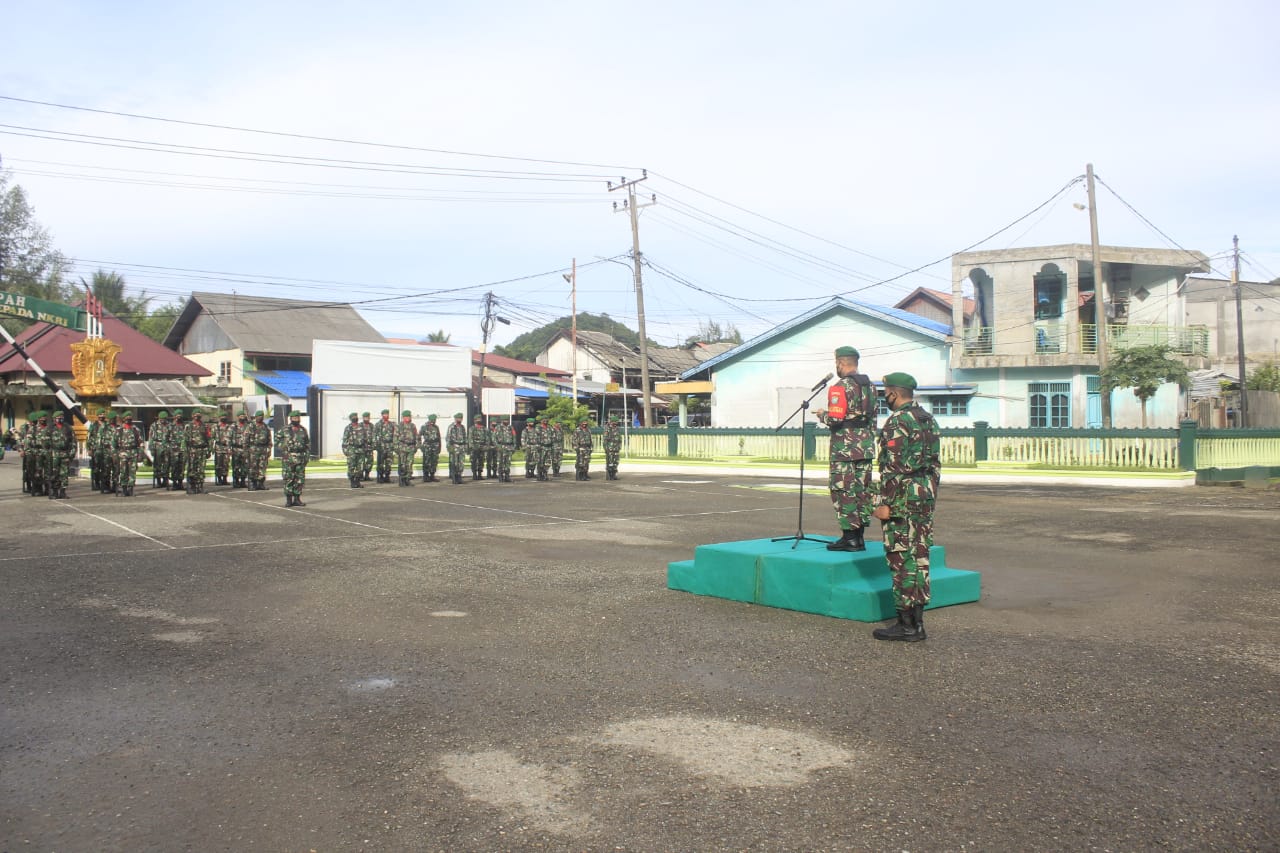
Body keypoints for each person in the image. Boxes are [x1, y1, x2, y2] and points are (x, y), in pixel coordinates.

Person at [870, 372, 941, 643]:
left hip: (902, 499)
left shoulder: (898, 421)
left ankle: (907, 625)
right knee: (919, 557)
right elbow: (935, 465)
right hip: (923, 497)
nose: (884, 397)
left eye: (885, 392)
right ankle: (917, 623)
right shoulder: (928, 419)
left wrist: (884, 502)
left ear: (894, 393)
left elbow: (892, 467)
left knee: (901, 559)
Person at [812, 346, 878, 552]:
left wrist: (822, 414)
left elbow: (835, 418)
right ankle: (859, 537)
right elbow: (872, 418)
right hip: (865, 448)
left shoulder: (840, 387)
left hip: (845, 450)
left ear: (840, 363)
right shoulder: (871, 387)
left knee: (844, 491)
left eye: (837, 364)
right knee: (862, 491)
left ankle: (849, 538)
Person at [277, 410, 311, 506]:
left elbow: (307, 444)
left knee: (299, 479)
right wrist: (283, 447)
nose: (296, 419)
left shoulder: (303, 430)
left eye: (298, 417)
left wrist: (306, 456)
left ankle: (297, 498)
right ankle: (288, 499)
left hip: (300, 457)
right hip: (289, 458)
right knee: (289, 478)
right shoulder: (285, 429)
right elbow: (277, 440)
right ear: (291, 419)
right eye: (294, 418)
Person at [113, 411, 148, 497]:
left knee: (132, 471)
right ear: (123, 419)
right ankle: (124, 488)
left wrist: (140, 454)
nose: (128, 419)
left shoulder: (135, 430)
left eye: (129, 418)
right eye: (126, 418)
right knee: (123, 471)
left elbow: (141, 443)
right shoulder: (119, 430)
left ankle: (131, 488)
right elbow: (114, 444)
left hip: (133, 453)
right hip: (123, 453)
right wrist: (114, 455)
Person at [46, 410, 76, 500]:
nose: (60, 419)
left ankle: (63, 492)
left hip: (65, 454)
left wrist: (71, 454)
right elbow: (45, 443)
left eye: (61, 418)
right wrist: (48, 453)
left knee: (64, 474)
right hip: (54, 454)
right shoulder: (50, 428)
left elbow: (73, 442)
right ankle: (54, 492)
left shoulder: (68, 428)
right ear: (54, 419)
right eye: (58, 418)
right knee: (54, 473)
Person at [183, 411, 212, 494]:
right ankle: (191, 487)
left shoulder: (205, 426)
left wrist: (209, 450)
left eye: (198, 414)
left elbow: (208, 438)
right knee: (192, 468)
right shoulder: (189, 426)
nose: (197, 416)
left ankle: (200, 486)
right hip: (192, 450)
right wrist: (186, 451)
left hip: (202, 450)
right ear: (192, 416)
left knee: (201, 469)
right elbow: (185, 439)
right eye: (195, 415)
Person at [245, 411, 273, 491]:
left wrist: (269, 449)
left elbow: (269, 439)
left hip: (263, 449)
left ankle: (260, 483)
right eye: (259, 416)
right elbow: (246, 439)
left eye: (262, 416)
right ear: (256, 417)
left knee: (262, 467)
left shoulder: (265, 426)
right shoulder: (251, 426)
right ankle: (252, 483)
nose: (260, 417)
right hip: (253, 449)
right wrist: (246, 450)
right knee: (253, 467)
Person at [341, 412, 366, 488]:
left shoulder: (361, 427)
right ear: (351, 419)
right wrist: (346, 451)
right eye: (353, 417)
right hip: (352, 449)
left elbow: (365, 439)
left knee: (360, 467)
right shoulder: (348, 428)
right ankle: (352, 482)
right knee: (351, 466)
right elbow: (345, 440)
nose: (355, 418)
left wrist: (365, 448)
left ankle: (357, 481)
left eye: (356, 416)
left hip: (360, 450)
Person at [395, 410, 419, 486]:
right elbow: (395, 437)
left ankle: (408, 479)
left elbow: (417, 437)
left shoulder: (413, 426)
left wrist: (417, 446)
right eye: (406, 417)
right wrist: (396, 448)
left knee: (409, 464)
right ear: (403, 417)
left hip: (411, 447)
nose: (408, 418)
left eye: (409, 416)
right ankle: (402, 480)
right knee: (402, 464)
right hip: (402, 447)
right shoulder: (399, 426)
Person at [148, 410, 171, 489]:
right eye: (161, 419)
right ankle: (158, 481)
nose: (162, 420)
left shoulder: (169, 425)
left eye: (164, 419)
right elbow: (151, 438)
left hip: (167, 446)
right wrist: (151, 448)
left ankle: (165, 480)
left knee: (166, 464)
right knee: (157, 464)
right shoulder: (154, 425)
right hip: (157, 446)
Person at [166, 410, 188, 491]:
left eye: (180, 415)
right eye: (177, 415)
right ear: (174, 416)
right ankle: (174, 483)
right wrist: (169, 448)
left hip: (182, 449)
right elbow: (166, 438)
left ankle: (180, 482)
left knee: (181, 466)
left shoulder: (185, 426)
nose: (179, 417)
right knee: (174, 466)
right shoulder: (170, 426)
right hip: (173, 449)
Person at [372, 409, 395, 484]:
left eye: (387, 414)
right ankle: (380, 476)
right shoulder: (378, 424)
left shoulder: (392, 424)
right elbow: (374, 435)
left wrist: (394, 444)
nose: (386, 416)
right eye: (384, 414)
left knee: (389, 462)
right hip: (381, 446)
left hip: (390, 445)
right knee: (380, 463)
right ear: (382, 415)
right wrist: (375, 445)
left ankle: (387, 476)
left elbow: (395, 435)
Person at [445, 412, 468, 485]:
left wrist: (466, 446)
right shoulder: (451, 427)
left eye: (461, 418)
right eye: (458, 418)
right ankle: (454, 478)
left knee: (461, 463)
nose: (460, 419)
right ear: (455, 418)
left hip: (461, 447)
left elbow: (465, 438)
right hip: (454, 446)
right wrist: (449, 447)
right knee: (454, 463)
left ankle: (459, 476)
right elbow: (448, 438)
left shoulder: (462, 427)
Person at [212, 413, 234, 486]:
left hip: (226, 448)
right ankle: (219, 479)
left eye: (225, 416)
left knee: (226, 464)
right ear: (219, 417)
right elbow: (212, 437)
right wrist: (211, 448)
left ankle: (225, 479)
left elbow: (231, 437)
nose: (223, 418)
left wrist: (230, 448)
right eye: (222, 416)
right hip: (218, 447)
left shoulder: (229, 427)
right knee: (218, 464)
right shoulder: (215, 427)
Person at [230, 411, 250, 488]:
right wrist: (229, 448)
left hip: (245, 449)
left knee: (245, 466)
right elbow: (229, 437)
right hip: (236, 449)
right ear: (237, 417)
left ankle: (243, 481)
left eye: (243, 416)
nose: (242, 417)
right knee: (236, 466)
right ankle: (236, 481)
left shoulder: (248, 426)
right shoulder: (233, 426)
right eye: (240, 416)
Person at [419, 414, 442, 482]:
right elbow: (418, 436)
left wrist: (439, 447)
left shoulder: (436, 427)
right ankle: (426, 476)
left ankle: (432, 475)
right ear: (429, 420)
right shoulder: (424, 427)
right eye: (432, 420)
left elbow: (439, 437)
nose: (433, 422)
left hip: (435, 446)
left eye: (434, 420)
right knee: (426, 461)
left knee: (434, 461)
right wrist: (420, 446)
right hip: (427, 446)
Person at [493, 417, 516, 482]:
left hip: (509, 447)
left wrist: (514, 446)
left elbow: (514, 437)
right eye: (505, 420)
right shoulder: (498, 427)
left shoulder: (511, 427)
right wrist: (497, 446)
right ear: (502, 420)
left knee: (508, 462)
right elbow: (494, 438)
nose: (506, 421)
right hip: (501, 447)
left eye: (507, 420)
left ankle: (507, 476)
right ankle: (500, 476)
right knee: (501, 462)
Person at [468, 415, 489, 481]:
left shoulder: (484, 428)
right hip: (474, 447)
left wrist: (486, 446)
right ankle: (474, 474)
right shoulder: (472, 428)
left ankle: (480, 474)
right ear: (475, 420)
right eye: (477, 419)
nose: (479, 420)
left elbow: (487, 438)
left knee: (481, 461)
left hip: (482, 447)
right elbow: (470, 438)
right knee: (474, 461)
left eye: (480, 419)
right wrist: (472, 447)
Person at [603, 414, 622, 480]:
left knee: (615, 462)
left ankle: (614, 475)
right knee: (610, 462)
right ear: (612, 422)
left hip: (616, 448)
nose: (616, 423)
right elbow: (605, 440)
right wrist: (606, 448)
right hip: (610, 449)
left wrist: (619, 447)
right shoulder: (608, 429)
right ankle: (609, 475)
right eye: (615, 422)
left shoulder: (617, 429)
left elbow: (619, 439)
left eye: (617, 422)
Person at [359, 412, 375, 482]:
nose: (366, 419)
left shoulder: (371, 426)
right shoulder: (360, 425)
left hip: (369, 447)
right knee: (361, 462)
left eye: (368, 417)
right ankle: (360, 476)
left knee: (370, 461)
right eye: (365, 417)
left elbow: (374, 435)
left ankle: (367, 475)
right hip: (362, 447)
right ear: (363, 418)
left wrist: (374, 444)